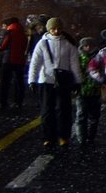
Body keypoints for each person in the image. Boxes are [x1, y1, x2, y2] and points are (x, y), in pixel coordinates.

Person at [27, 17, 78, 148]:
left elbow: (74, 64)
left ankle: (63, 136)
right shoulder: (42, 44)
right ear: (48, 29)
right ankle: (48, 137)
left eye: (58, 28)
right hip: (46, 80)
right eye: (53, 28)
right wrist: (32, 80)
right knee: (47, 111)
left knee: (63, 110)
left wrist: (78, 81)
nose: (56, 31)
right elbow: (35, 63)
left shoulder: (68, 44)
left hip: (62, 81)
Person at [74, 37, 102, 145]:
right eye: (86, 46)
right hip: (82, 90)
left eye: (90, 45)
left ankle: (91, 136)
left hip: (95, 90)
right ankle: (82, 137)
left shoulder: (99, 57)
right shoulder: (78, 57)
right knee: (81, 115)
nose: (88, 48)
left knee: (94, 116)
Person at [0, 15, 27, 111]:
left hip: (8, 60)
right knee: (19, 82)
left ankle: (4, 103)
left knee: (5, 83)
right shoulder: (23, 32)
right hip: (20, 60)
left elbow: (3, 46)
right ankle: (18, 102)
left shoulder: (9, 32)